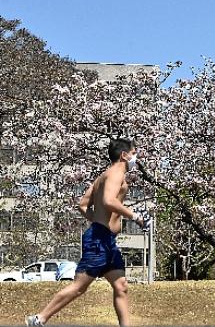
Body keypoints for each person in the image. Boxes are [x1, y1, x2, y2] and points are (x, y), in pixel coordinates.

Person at [26, 138, 148, 327]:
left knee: (121, 286)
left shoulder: (103, 176)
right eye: (133, 153)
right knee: (79, 287)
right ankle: (39, 319)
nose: (135, 156)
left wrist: (99, 221)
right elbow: (108, 200)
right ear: (124, 155)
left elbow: (82, 205)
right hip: (99, 240)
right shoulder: (116, 173)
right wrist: (135, 216)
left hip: (107, 240)